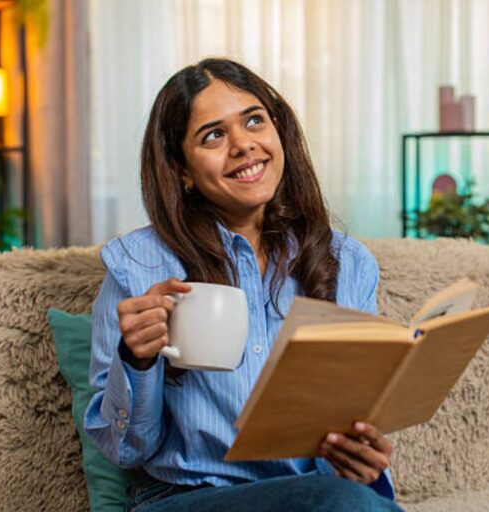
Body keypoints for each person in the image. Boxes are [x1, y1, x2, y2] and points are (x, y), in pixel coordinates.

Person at [84, 58, 403, 512]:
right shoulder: (137, 265)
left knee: (349, 499)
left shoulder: (346, 263)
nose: (243, 145)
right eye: (213, 135)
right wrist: (136, 359)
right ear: (182, 170)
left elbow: (351, 420)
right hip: (183, 499)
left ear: (278, 131)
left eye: (254, 121)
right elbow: (126, 450)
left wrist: (362, 462)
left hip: (314, 498)